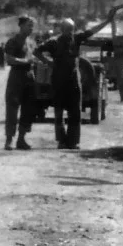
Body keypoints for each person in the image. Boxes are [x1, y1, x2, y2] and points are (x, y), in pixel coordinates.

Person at [37, 18, 87, 150]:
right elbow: (37, 51)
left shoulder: (76, 39)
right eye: (67, 29)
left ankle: (73, 141)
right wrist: (48, 62)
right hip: (59, 82)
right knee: (59, 113)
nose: (69, 32)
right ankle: (61, 140)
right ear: (62, 29)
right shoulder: (53, 42)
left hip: (74, 81)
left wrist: (107, 21)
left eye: (71, 29)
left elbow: (91, 31)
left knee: (75, 112)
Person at [3, 16, 37, 150]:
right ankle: (9, 140)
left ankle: (21, 139)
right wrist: (25, 61)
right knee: (12, 109)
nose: (31, 28)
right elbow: (9, 59)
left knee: (28, 109)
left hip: (29, 78)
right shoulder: (13, 41)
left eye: (32, 26)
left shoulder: (31, 42)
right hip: (16, 77)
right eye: (29, 25)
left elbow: (34, 56)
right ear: (21, 26)